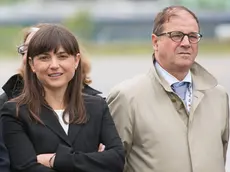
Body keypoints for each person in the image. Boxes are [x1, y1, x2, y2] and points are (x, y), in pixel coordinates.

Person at [107, 5, 229, 172]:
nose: (186, 43)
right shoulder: (127, 97)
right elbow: (109, 164)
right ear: (155, 42)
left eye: (193, 36)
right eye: (177, 35)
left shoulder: (218, 96)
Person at [1, 24, 124, 172]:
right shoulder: (15, 111)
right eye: (44, 58)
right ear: (31, 64)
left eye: (62, 56)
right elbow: (26, 167)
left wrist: (56, 160)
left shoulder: (97, 106)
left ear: (76, 60)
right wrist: (93, 162)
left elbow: (116, 160)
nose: (54, 65)